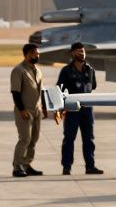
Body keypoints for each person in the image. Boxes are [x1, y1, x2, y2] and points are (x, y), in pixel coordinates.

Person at [56, 43, 103, 175]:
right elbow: (59, 89)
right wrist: (60, 109)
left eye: (83, 51)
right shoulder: (66, 71)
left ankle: (90, 166)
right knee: (69, 138)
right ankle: (66, 167)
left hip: (87, 109)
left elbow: (93, 86)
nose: (81, 53)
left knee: (89, 139)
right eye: (78, 51)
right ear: (72, 53)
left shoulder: (90, 70)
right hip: (72, 109)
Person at [10, 43, 48, 178]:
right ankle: (17, 166)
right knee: (25, 138)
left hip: (37, 110)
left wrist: (44, 107)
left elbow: (41, 91)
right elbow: (15, 92)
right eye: (34, 53)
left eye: (37, 53)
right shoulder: (18, 70)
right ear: (26, 54)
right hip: (25, 110)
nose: (37, 55)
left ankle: (26, 165)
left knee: (34, 139)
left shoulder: (38, 71)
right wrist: (21, 110)